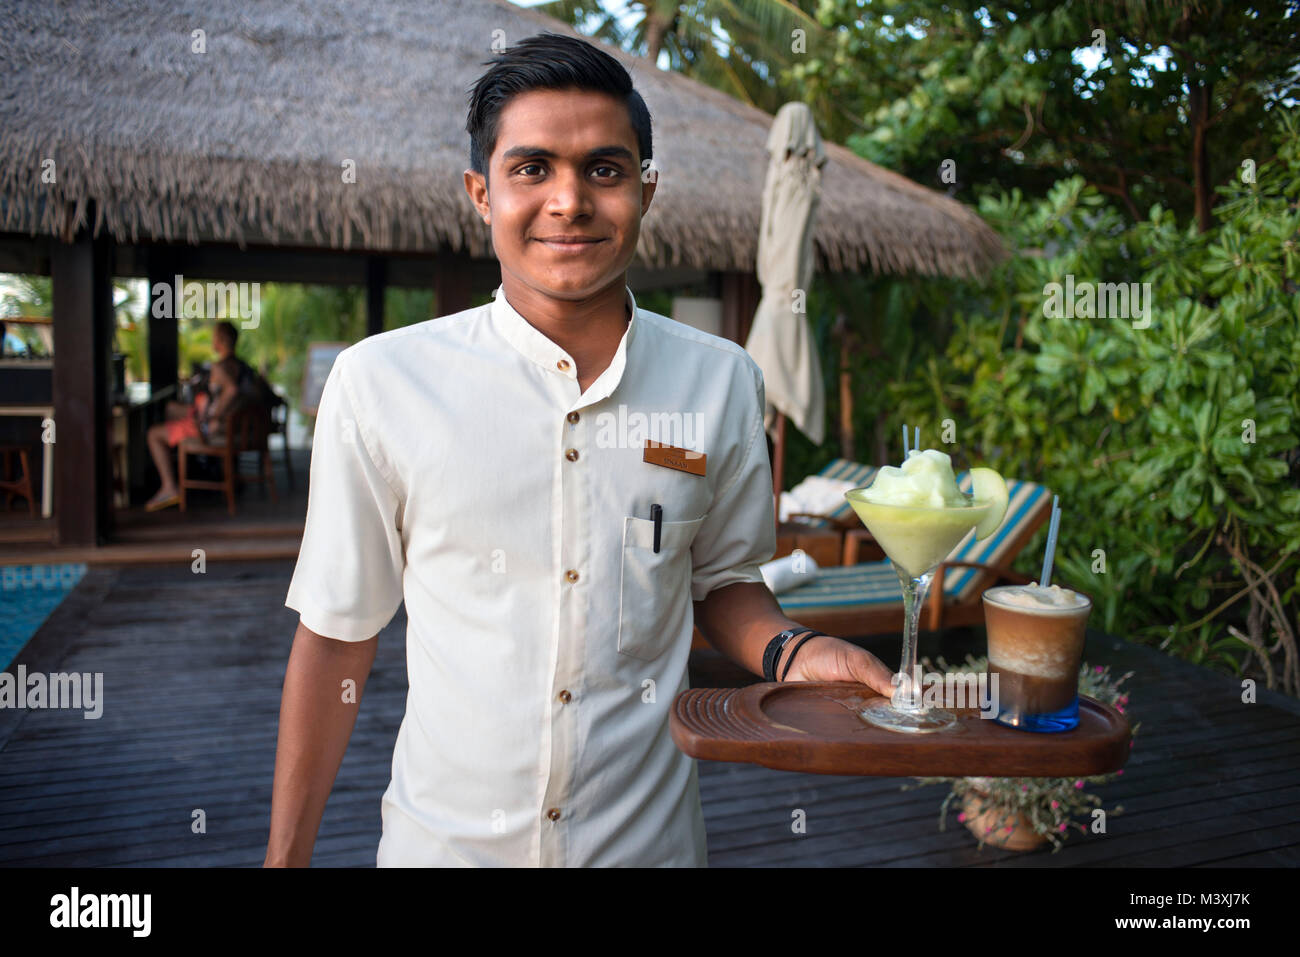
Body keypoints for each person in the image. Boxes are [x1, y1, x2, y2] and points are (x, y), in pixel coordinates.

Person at [267, 32, 895, 868]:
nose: (570, 200)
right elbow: (338, 634)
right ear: (480, 193)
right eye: (531, 168)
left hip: (650, 847)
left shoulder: (722, 382)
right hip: (444, 848)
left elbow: (725, 583)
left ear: (646, 188)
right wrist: (285, 858)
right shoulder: (382, 384)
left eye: (605, 169)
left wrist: (798, 651)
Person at [144, 320, 260, 511]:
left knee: (153, 434)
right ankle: (188, 467)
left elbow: (231, 390)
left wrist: (212, 417)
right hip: (232, 428)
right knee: (172, 409)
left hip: (214, 430)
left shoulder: (220, 367)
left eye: (214, 336)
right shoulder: (244, 368)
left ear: (221, 340)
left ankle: (169, 485)